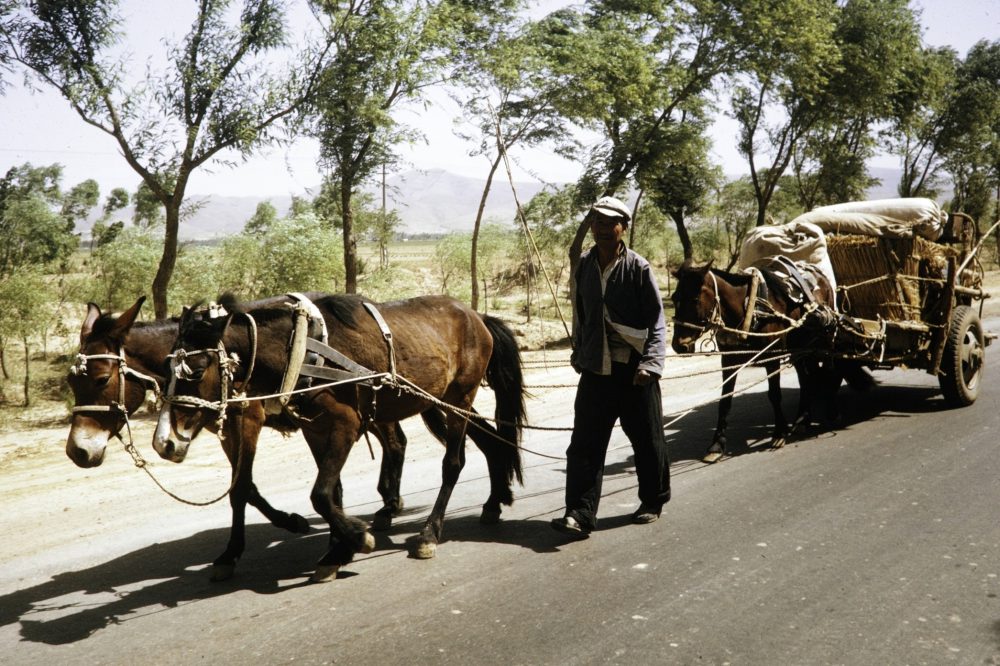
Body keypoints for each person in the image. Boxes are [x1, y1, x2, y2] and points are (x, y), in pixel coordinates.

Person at [551, 195, 671, 539]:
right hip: (596, 369)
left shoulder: (638, 268)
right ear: (591, 226)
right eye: (598, 222)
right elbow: (583, 315)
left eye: (610, 223)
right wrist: (579, 350)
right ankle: (579, 513)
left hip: (635, 370)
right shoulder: (585, 265)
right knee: (584, 444)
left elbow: (657, 320)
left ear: (624, 228)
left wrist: (651, 363)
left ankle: (653, 500)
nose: (603, 229)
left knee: (647, 440)